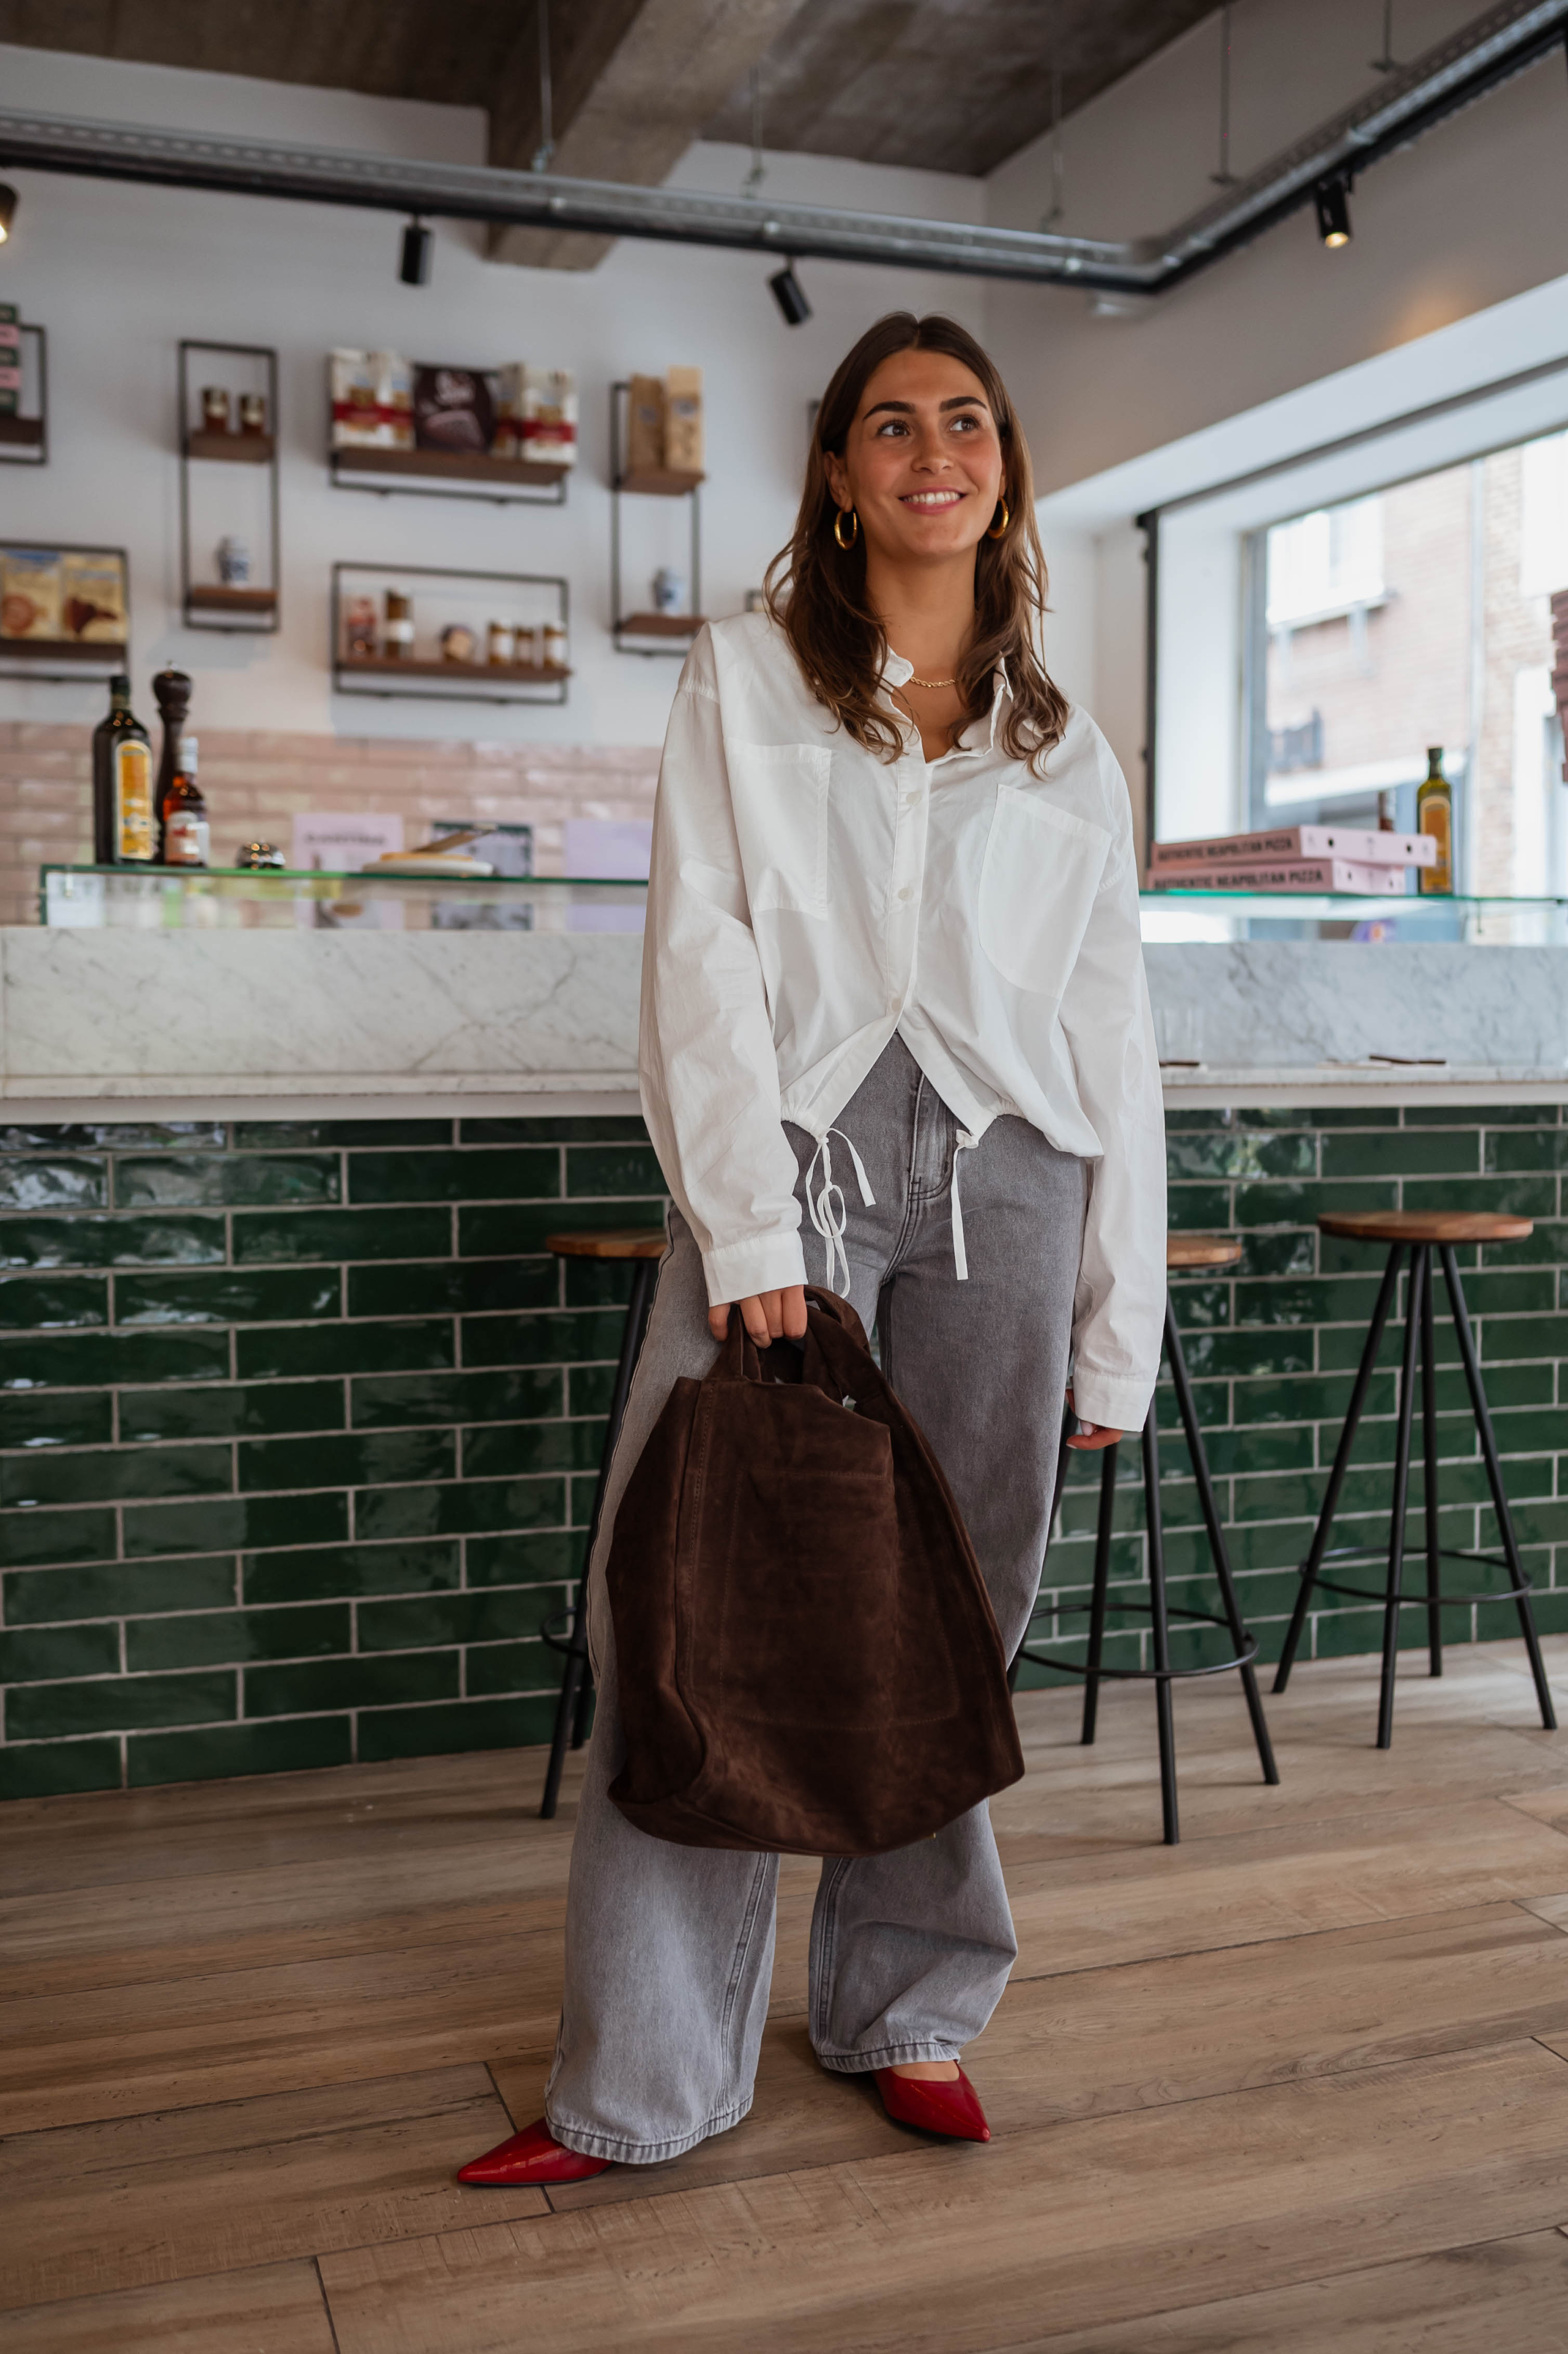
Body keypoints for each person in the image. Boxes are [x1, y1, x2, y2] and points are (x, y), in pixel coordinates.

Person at [458, 311, 1166, 2185]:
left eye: (965, 420)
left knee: (952, 1618)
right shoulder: (745, 677)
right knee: (679, 1612)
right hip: (799, 1173)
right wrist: (748, 1220)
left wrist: (1119, 1324)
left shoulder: (1065, 750)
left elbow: (1113, 1047)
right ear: (842, 471)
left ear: (1001, 459)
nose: (933, 448)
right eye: (890, 424)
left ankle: (908, 2005)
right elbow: (698, 961)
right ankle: (642, 2083)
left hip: (1013, 1196)